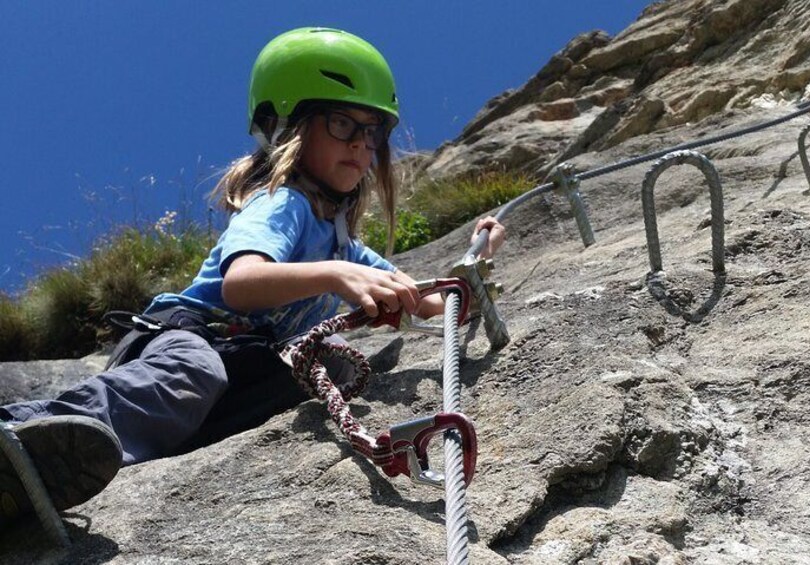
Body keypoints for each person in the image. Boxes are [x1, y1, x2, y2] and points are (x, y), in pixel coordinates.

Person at [0, 27, 506, 533]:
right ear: (287, 128)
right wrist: (336, 274)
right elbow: (242, 282)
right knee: (190, 377)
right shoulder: (281, 202)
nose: (360, 143)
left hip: (243, 367)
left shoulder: (345, 246)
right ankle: (19, 434)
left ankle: (68, 463)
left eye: (371, 132)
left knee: (329, 373)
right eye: (341, 122)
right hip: (194, 337)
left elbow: (425, 303)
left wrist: (476, 264)